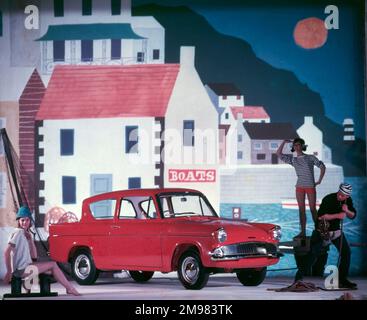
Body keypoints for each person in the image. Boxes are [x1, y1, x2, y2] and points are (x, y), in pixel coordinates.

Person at [3, 206, 80, 296]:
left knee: (49, 271)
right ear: (19, 221)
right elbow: (6, 252)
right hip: (21, 270)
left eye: (27, 220)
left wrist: (30, 240)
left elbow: (34, 257)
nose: (25, 222)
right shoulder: (18, 233)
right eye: (22, 220)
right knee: (53, 265)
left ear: (30, 221)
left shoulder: (25, 234)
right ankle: (70, 288)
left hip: (26, 267)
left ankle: (27, 286)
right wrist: (9, 272)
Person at [295, 183, 357, 289]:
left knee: (346, 253)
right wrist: (338, 215)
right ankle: (298, 278)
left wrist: (347, 210)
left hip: (336, 232)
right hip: (322, 230)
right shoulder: (329, 199)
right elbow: (321, 217)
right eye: (340, 193)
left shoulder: (348, 200)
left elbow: (353, 215)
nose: (340, 196)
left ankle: (342, 279)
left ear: (347, 196)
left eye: (343, 195)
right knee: (313, 254)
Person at [277, 138, 326, 238]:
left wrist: (320, 180)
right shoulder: (293, 160)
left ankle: (319, 230)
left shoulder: (310, 157)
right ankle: (303, 232)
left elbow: (322, 167)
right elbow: (278, 154)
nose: (296, 147)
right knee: (301, 210)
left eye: (298, 145)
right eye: (295, 145)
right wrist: (284, 142)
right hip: (299, 186)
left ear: (302, 146)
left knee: (313, 209)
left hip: (310, 186)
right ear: (293, 147)